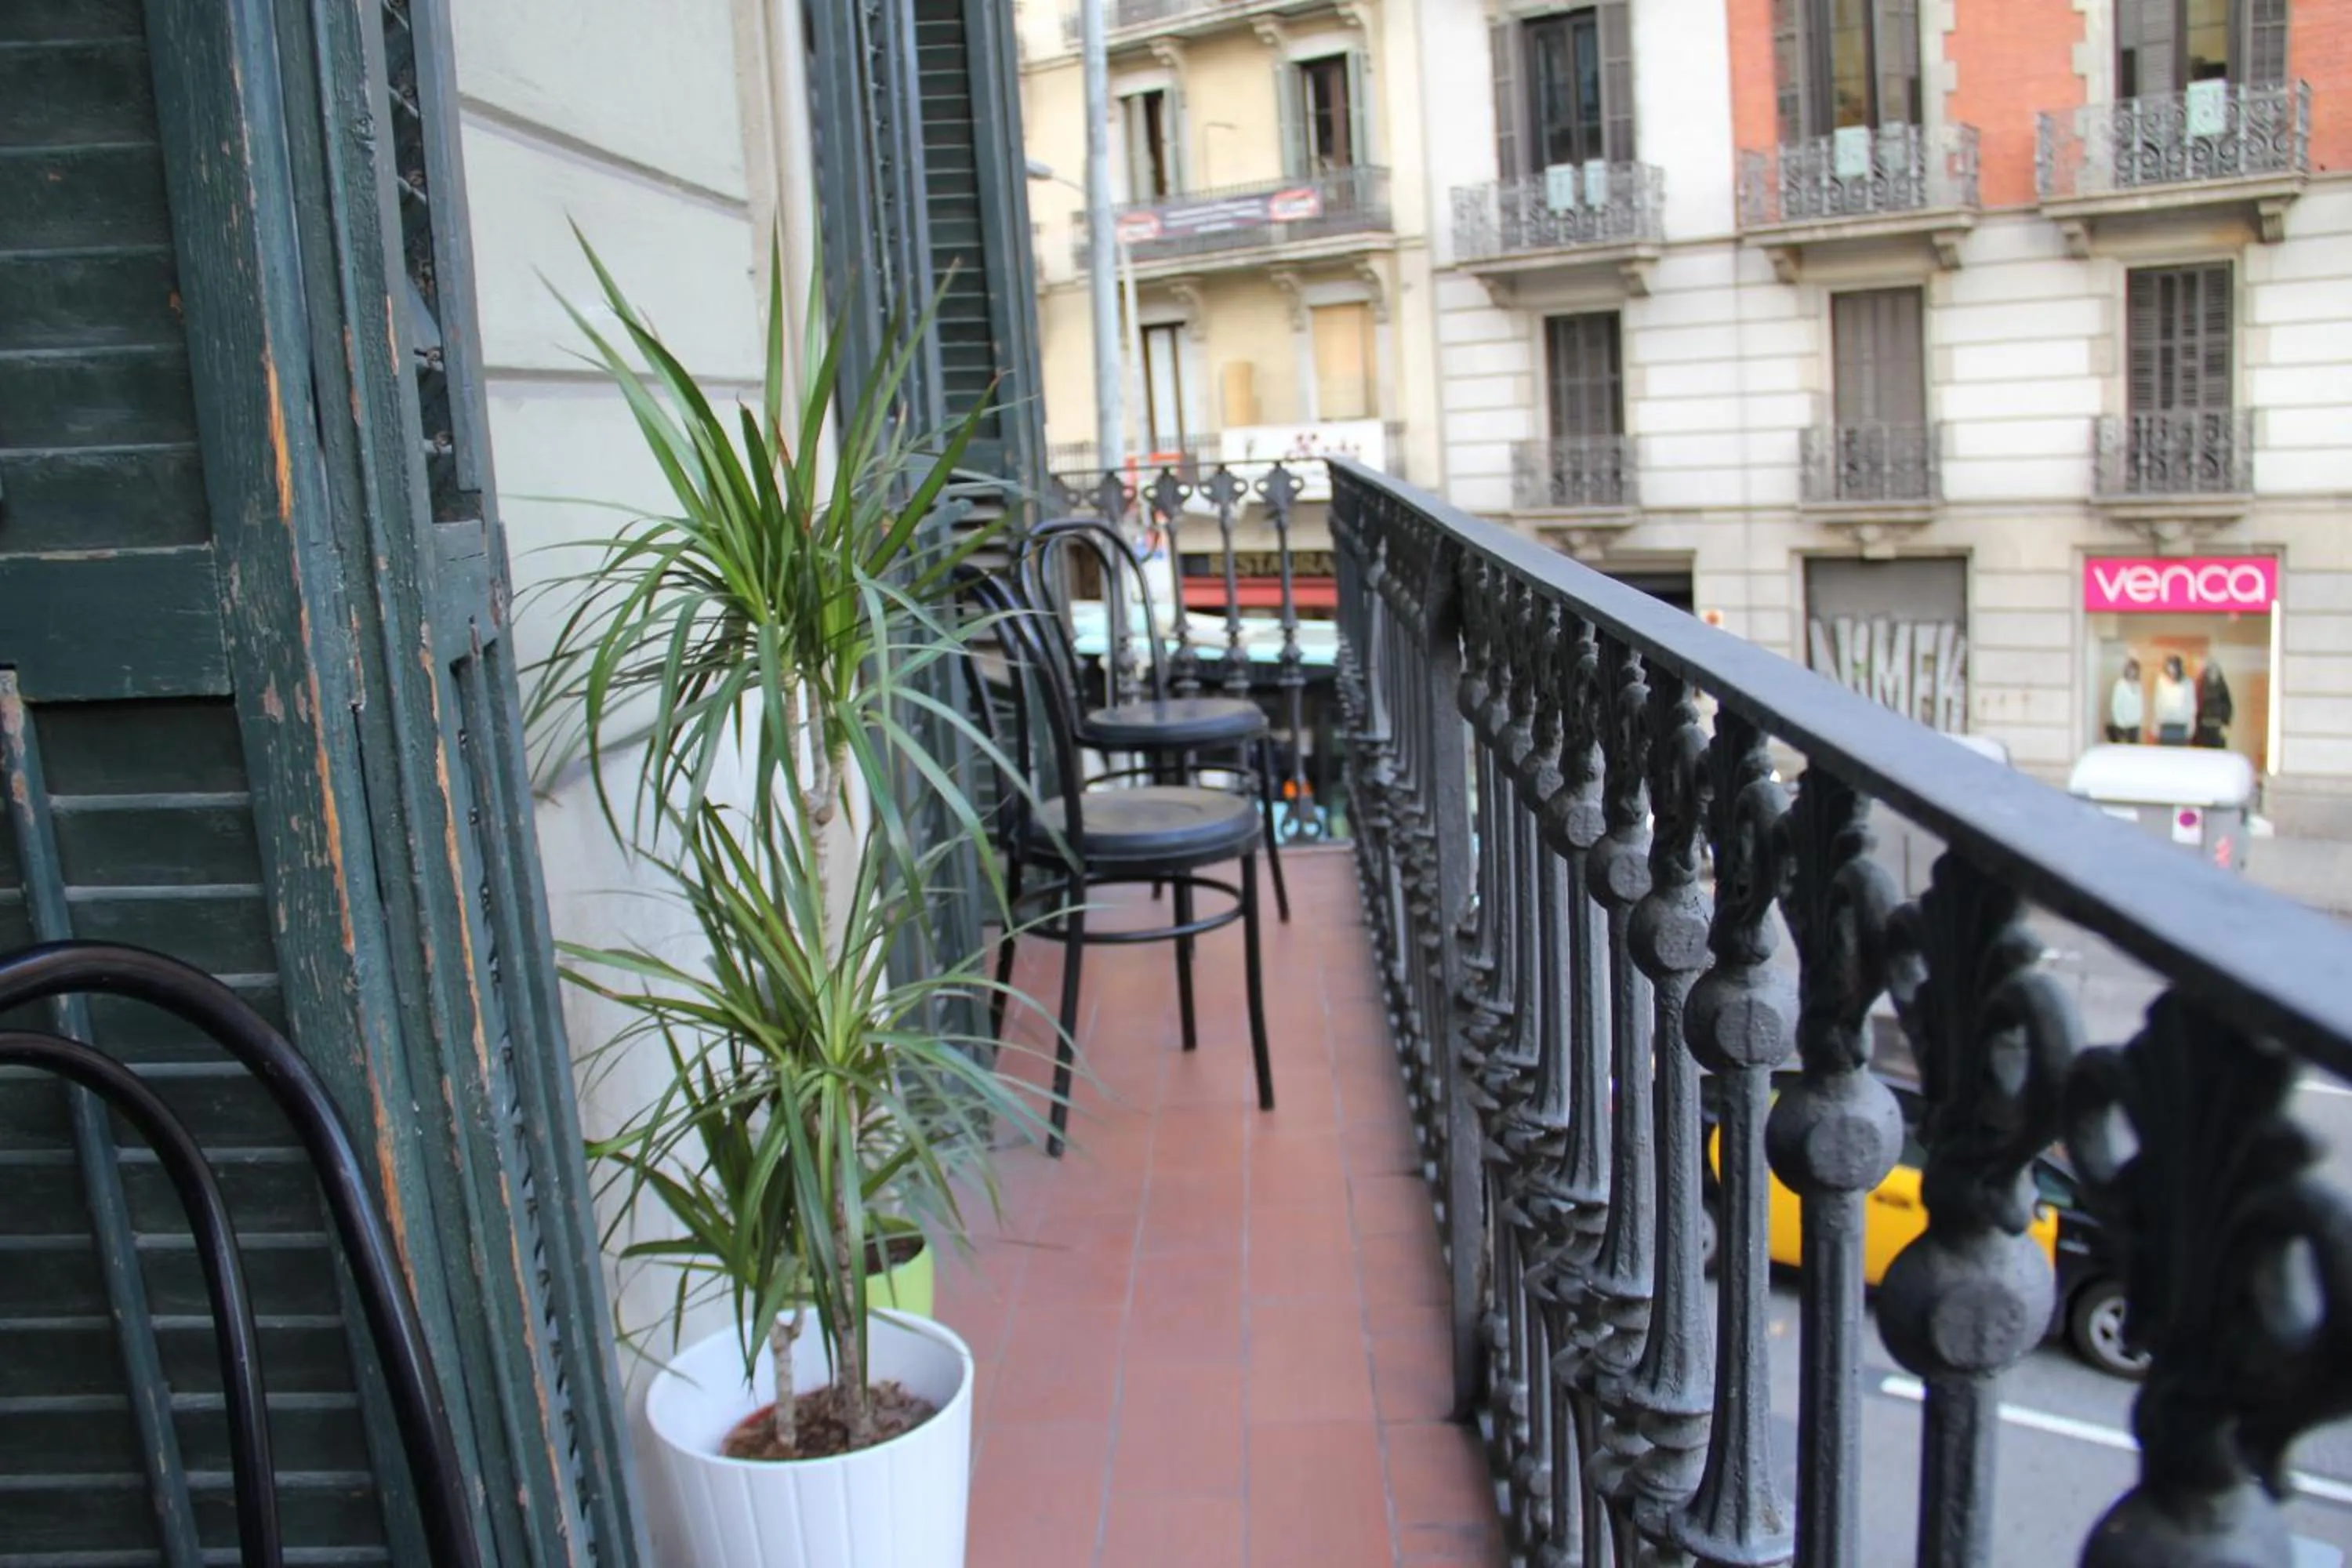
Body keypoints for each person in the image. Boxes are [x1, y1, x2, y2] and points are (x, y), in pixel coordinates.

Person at [2151, 654, 2194, 745]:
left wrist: (2191, 724)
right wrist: (2155, 724)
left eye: (2174, 669)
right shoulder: (2161, 681)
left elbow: (2191, 705)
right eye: (2169, 669)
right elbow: (2158, 703)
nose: (2172, 672)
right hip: (2165, 724)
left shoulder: (2188, 683)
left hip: (2181, 725)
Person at [2194, 659, 2234, 750]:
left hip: (2217, 725)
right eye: (2210, 670)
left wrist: (2226, 722)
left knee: (2218, 751)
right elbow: (2198, 704)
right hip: (2204, 725)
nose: (2213, 673)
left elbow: (2227, 705)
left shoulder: (2222, 686)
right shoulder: (2201, 685)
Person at [2107, 658, 2143, 744]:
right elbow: (2115, 705)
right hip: (2123, 726)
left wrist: (2140, 720)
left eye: (2135, 670)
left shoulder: (2138, 685)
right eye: (2130, 669)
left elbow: (2140, 704)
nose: (2132, 672)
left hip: (2135, 725)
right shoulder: (2120, 685)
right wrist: (2120, 723)